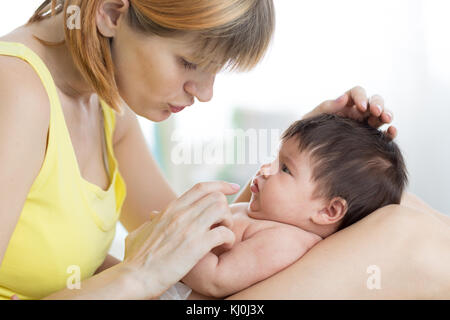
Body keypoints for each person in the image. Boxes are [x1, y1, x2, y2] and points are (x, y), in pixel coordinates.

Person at [0, 0, 448, 300]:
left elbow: (206, 236)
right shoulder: (16, 92)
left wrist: (318, 144)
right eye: (190, 62)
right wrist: (136, 276)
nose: (205, 92)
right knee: (405, 239)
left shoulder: (105, 103)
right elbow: (174, 258)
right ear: (114, 11)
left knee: (394, 208)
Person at [158, 114, 408, 299]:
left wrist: (175, 239)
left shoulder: (285, 242)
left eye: (285, 169)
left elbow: (215, 280)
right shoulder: (267, 216)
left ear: (328, 211)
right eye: (275, 159)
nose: (265, 169)